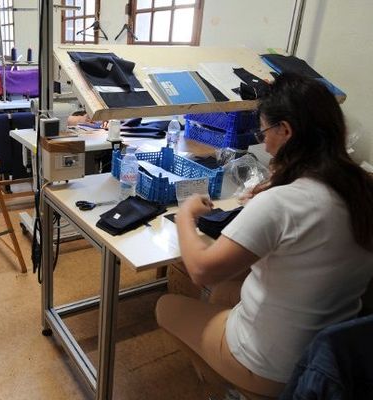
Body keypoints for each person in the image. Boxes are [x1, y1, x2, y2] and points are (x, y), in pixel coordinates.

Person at [155, 73, 373, 398]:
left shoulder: (282, 203)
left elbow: (201, 269)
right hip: (333, 354)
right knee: (224, 291)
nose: (264, 141)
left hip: (275, 366)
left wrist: (186, 214)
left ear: (285, 131)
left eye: (265, 131)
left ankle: (234, 384)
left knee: (166, 306)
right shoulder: (362, 187)